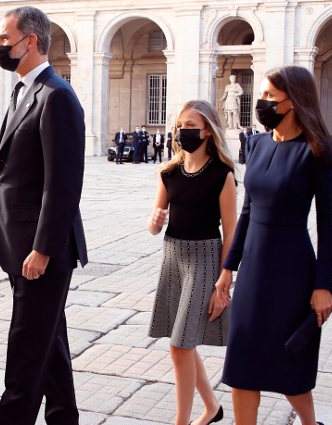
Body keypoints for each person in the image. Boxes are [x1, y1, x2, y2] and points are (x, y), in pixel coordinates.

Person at [213, 65, 332, 425]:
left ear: (294, 100)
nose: (262, 102)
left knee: (289, 362)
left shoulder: (316, 150)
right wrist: (227, 270)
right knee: (242, 362)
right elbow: (247, 213)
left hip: (292, 269)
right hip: (253, 268)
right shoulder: (257, 143)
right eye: (262, 94)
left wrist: (322, 285)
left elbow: (326, 226)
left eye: (270, 96)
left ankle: (311, 424)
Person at [0, 6, 88, 425]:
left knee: (26, 353)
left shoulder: (57, 96)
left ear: (29, 41)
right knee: (50, 346)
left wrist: (43, 249)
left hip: (41, 254)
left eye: (4, 38)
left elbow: (63, 185)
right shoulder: (22, 91)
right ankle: (64, 417)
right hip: (20, 247)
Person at [148, 100, 236, 425]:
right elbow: (155, 225)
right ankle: (212, 409)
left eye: (191, 126)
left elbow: (231, 231)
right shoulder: (168, 172)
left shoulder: (222, 175)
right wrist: (155, 220)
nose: (184, 131)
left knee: (180, 346)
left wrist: (224, 281)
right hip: (173, 258)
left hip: (205, 260)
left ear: (208, 131)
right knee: (182, 344)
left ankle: (181, 422)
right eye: (180, 125)